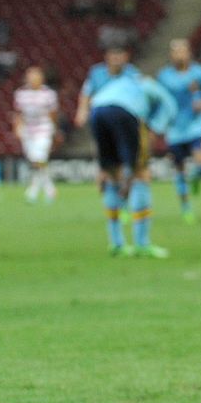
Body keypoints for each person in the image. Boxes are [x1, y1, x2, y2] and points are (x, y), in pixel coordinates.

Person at [74, 44, 176, 258]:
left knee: (111, 174)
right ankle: (142, 243)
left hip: (98, 112)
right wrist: (155, 127)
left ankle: (117, 243)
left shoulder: (118, 82)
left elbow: (90, 99)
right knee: (141, 175)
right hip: (123, 113)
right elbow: (170, 104)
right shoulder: (145, 82)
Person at [157, 38, 201, 224]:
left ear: (189, 53)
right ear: (171, 55)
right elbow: (159, 100)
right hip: (175, 128)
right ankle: (186, 208)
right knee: (179, 169)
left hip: (197, 124)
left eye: (183, 51)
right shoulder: (164, 76)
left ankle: (197, 176)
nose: (180, 55)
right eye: (176, 51)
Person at [12, 66, 59, 205]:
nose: (33, 79)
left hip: (44, 128)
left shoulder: (49, 94)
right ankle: (49, 187)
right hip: (28, 130)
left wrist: (54, 129)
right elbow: (18, 113)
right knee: (34, 161)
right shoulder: (20, 93)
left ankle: (34, 190)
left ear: (41, 78)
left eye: (36, 76)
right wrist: (17, 128)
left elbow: (53, 113)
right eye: (30, 76)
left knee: (39, 158)